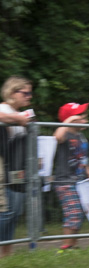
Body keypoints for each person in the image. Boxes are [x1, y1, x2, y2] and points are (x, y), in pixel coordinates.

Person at [51, 102, 89, 252]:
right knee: (73, 213)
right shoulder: (65, 134)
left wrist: (88, 168)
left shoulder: (80, 136)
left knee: (79, 213)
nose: (85, 119)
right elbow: (56, 137)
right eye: (81, 116)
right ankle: (66, 247)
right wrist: (67, 121)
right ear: (71, 119)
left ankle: (73, 246)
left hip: (80, 181)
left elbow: (82, 156)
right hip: (65, 181)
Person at [0, 76, 34, 257]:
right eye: (25, 93)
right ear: (13, 93)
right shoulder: (4, 109)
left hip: (15, 169)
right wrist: (18, 118)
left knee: (14, 212)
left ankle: (6, 254)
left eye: (30, 93)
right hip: (4, 170)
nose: (29, 97)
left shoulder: (18, 114)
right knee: (6, 212)